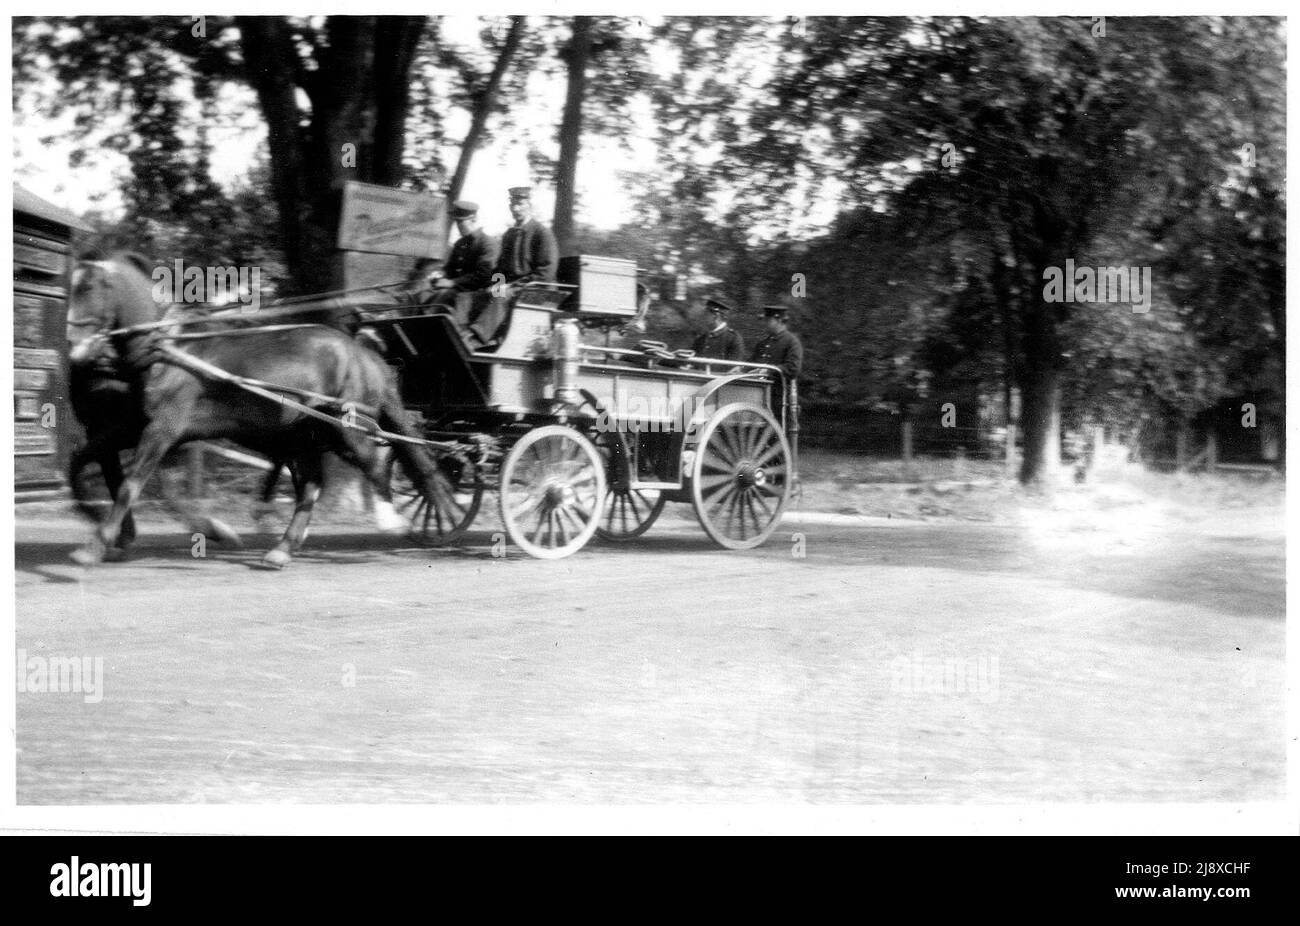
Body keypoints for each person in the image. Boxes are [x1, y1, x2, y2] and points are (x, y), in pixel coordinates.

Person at [467, 186, 558, 346]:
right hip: (514, 288)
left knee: (502, 296)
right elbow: (500, 268)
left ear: (530, 205)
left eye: (520, 204)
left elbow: (546, 272)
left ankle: (477, 339)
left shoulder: (541, 233)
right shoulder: (510, 234)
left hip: (539, 291)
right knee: (478, 295)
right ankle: (463, 331)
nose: (515, 208)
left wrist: (510, 286)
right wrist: (496, 284)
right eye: (513, 204)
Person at [431, 200, 498, 309]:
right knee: (422, 295)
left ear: (474, 219)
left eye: (461, 221)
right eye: (456, 221)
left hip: (474, 294)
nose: (458, 226)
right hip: (456, 290)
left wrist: (452, 283)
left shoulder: (488, 244)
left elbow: (482, 276)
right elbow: (450, 268)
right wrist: (440, 274)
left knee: (442, 297)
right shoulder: (460, 243)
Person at [750, 304, 803, 381]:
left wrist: (768, 371)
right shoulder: (762, 344)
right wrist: (741, 369)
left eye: (768, 320)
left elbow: (792, 368)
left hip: (778, 390)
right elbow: (752, 362)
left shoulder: (792, 342)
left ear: (779, 320)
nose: (764, 323)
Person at [692, 296, 745, 361]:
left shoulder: (733, 338)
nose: (702, 316)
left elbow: (734, 365)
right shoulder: (701, 339)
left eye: (705, 313)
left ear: (715, 315)